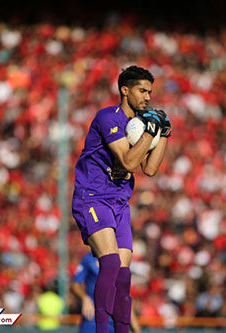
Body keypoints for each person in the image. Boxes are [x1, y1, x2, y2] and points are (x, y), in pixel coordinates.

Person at [71, 65, 171, 333]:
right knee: (111, 263)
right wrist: (151, 131)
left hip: (119, 202)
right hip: (93, 197)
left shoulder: (139, 125)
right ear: (124, 90)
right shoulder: (108, 118)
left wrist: (164, 135)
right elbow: (128, 161)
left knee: (123, 277)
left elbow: (149, 169)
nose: (148, 97)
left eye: (150, 91)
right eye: (142, 90)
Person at [72, 252, 141, 333]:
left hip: (115, 320)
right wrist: (85, 298)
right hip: (92, 317)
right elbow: (75, 284)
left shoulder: (120, 259)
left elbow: (124, 296)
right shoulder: (89, 259)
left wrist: (134, 324)